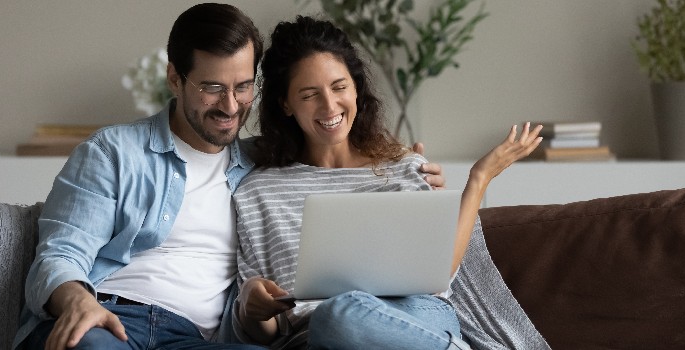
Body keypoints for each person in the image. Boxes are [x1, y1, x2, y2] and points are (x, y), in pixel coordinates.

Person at [13, 4, 445, 350]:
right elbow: (59, 254)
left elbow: (329, 157)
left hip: (193, 339)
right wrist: (77, 303)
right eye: (211, 88)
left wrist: (402, 163)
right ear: (174, 79)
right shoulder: (113, 151)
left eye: (242, 86)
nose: (231, 105)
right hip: (108, 319)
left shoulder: (259, 167)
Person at [231, 16, 543, 349]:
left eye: (339, 87)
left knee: (341, 313)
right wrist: (250, 309)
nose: (330, 105)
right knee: (334, 318)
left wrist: (479, 179)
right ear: (285, 104)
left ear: (356, 88)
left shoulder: (406, 168)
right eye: (309, 95)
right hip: (319, 335)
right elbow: (268, 329)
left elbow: (439, 274)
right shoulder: (257, 193)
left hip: (416, 318)